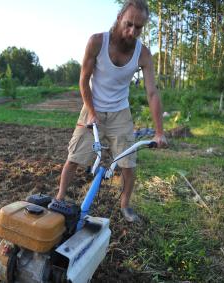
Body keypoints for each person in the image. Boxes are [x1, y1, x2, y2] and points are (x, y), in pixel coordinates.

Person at [55, 0, 167, 222]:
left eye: (139, 27)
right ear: (119, 18)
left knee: (128, 164)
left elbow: (152, 93)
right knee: (75, 157)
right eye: (129, 24)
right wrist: (92, 112)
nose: (132, 31)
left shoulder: (142, 54)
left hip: (120, 113)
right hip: (92, 107)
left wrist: (159, 131)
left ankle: (125, 206)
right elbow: (84, 81)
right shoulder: (97, 42)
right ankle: (59, 198)